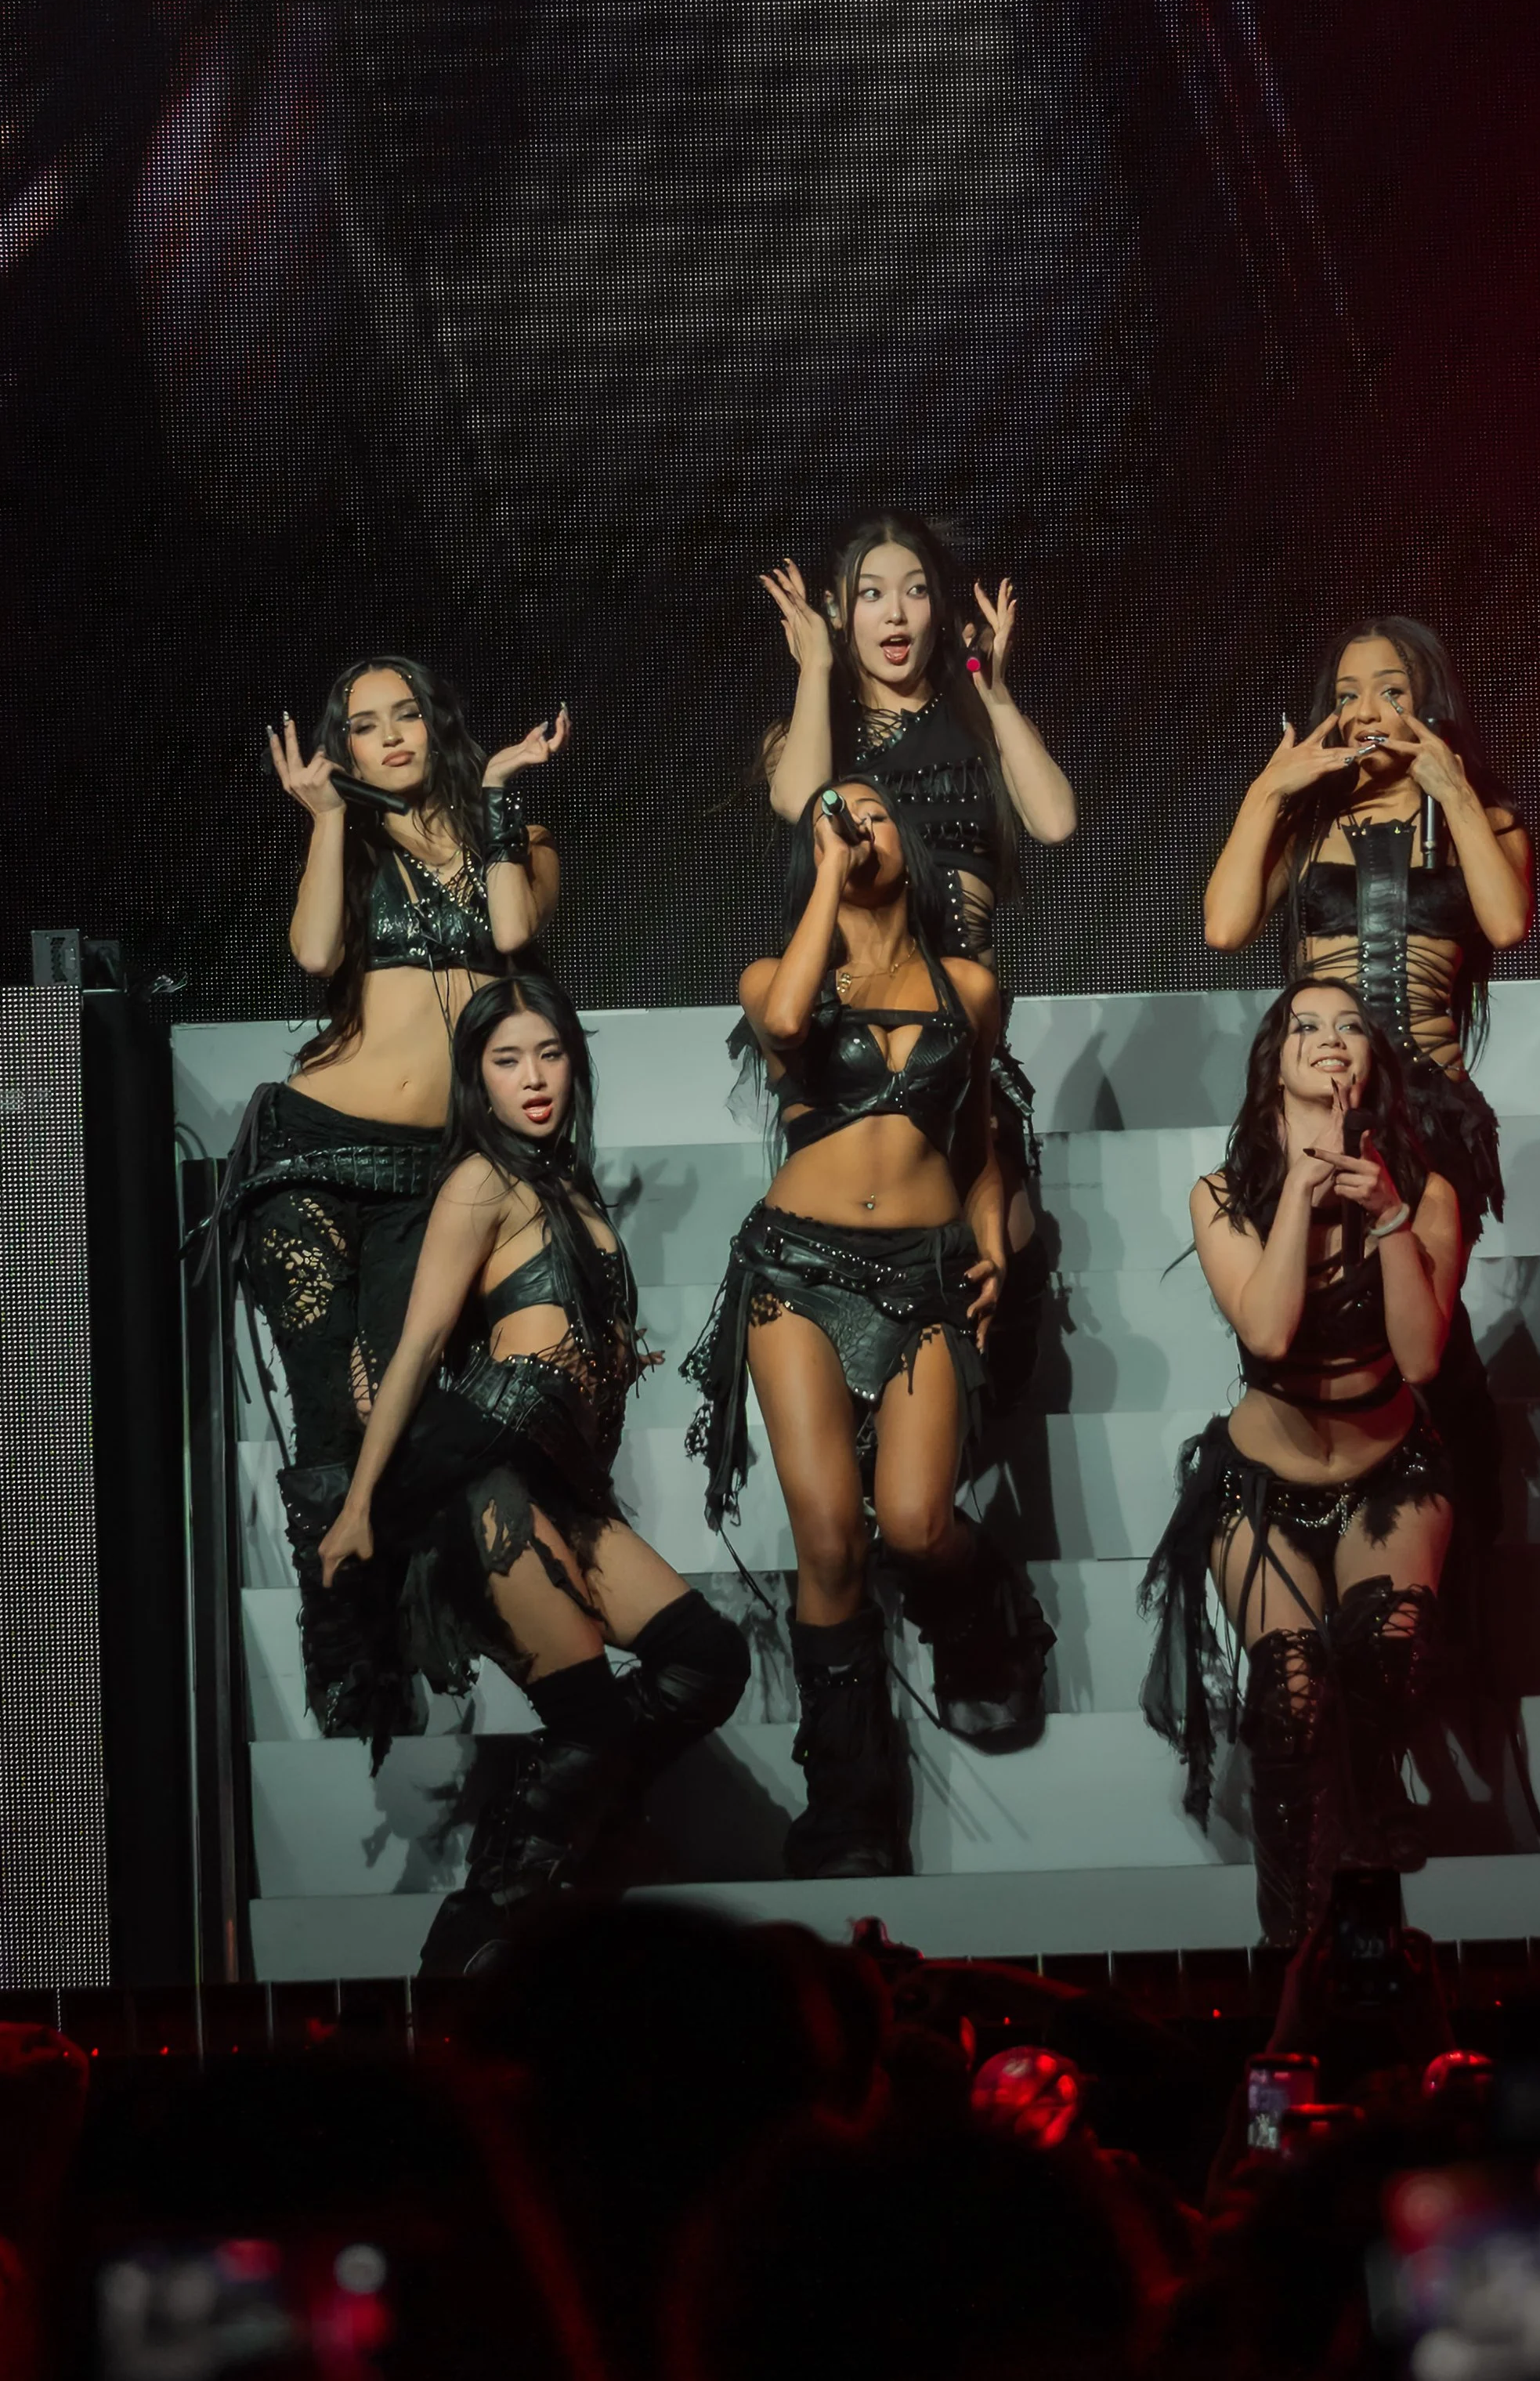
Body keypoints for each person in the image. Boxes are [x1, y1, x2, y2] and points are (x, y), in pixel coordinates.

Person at [317, 975, 748, 1972]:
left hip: (556, 1481)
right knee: (590, 1715)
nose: (534, 1078)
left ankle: (576, 1830)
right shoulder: (482, 1180)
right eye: (506, 1061)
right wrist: (359, 1503)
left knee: (705, 1662)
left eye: (549, 1054)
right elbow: (421, 1342)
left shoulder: (567, 1183)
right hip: (482, 1472)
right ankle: (474, 1941)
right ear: (477, 1079)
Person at [682, 778, 1054, 1877]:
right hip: (796, 1267)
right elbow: (792, 1022)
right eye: (830, 820)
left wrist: (992, 1244)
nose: (857, 829)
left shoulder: (971, 986)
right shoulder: (774, 976)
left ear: (910, 841)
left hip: (925, 1272)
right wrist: (830, 890)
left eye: (875, 814)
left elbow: (978, 1139)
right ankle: (849, 1801)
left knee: (914, 1519)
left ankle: (981, 1596)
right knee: (832, 1541)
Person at [216, 657, 567, 1734]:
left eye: (405, 713)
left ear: (435, 721)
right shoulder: (352, 841)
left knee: (389, 1407)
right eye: (365, 726)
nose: (391, 736)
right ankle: (346, 1653)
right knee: (330, 1399)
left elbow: (511, 934)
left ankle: (400, 1618)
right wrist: (323, 820)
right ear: (349, 749)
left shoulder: (519, 839)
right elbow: (315, 949)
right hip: (314, 1155)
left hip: (434, 1175)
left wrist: (503, 800)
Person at [1141, 980, 1464, 1951]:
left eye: (1350, 1026)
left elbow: (1420, 1360)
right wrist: (1299, 1193)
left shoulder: (1427, 1190)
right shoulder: (1221, 1192)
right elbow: (1269, 1327)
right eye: (1305, 1026)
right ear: (1274, 1063)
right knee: (1288, 1697)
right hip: (1262, 1485)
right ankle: (1290, 1945)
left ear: (1372, 1062)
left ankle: (1371, 1854)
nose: (1329, 1040)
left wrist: (1391, 1217)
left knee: (1387, 1659)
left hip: (1388, 1471)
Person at [759, 512, 1076, 1402]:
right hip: (858, 1046)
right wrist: (815, 671)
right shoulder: (826, 730)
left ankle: (943, 1480)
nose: (893, 614)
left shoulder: (975, 720)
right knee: (854, 1258)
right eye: (869, 594)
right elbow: (796, 803)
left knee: (997, 1255)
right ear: (838, 613)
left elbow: (1054, 820)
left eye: (913, 590)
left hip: (959, 1039)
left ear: (940, 610)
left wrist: (1001, 692)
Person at [1202, 615, 1530, 1240]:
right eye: (1348, 695)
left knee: (1422, 1312)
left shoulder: (1485, 820)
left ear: (1429, 704)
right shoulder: (1306, 827)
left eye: (1392, 691)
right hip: (1316, 1102)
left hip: (1429, 1100)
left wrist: (1453, 793)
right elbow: (1223, 928)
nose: (1366, 712)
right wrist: (1267, 793)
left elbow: (1508, 924)